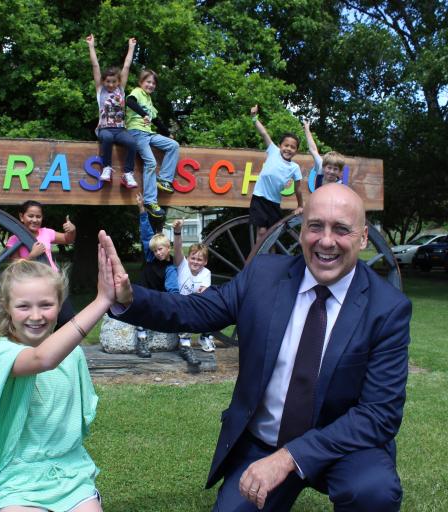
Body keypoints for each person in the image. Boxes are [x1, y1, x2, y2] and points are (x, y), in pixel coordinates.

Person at [102, 183, 411, 511]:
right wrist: (130, 298)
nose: (326, 241)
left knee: (373, 491)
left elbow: (379, 415)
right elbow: (197, 310)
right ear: (302, 229)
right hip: (264, 441)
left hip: (342, 447)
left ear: (363, 238)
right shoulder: (263, 276)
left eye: (342, 229)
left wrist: (290, 458)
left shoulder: (387, 308)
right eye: (315, 226)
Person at [0, 240, 115, 512]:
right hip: (20, 477)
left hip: (70, 471)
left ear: (59, 304)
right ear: (7, 307)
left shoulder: (73, 354)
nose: (36, 316)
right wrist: (102, 301)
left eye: (46, 304)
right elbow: (42, 359)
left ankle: (89, 496)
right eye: (23, 306)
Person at [6, 200, 77, 328]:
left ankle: (61, 346)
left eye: (38, 216)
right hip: (31, 286)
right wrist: (32, 256)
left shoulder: (46, 232)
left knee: (67, 318)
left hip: (53, 282)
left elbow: (68, 239)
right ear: (21, 217)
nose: (35, 220)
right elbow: (14, 267)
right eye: (30, 216)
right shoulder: (14, 239)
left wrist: (71, 230)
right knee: (41, 323)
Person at [86, 34, 139, 189]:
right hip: (104, 129)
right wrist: (91, 46)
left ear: (118, 82)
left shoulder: (121, 90)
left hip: (120, 129)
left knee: (132, 142)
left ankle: (127, 173)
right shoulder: (100, 91)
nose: (110, 84)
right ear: (103, 82)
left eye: (113, 81)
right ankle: (107, 167)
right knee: (107, 138)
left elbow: (127, 66)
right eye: (107, 81)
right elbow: (95, 66)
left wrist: (131, 47)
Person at [125, 68, 179, 218]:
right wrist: (143, 114)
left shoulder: (149, 99)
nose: (150, 85)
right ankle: (149, 201)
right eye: (148, 82)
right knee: (150, 162)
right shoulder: (137, 92)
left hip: (148, 134)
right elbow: (128, 101)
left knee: (173, 145)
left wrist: (168, 134)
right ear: (141, 82)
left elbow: (155, 119)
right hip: (136, 132)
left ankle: (164, 179)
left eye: (153, 83)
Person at [249, 105, 304, 245]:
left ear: (296, 151)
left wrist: (300, 206)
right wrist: (254, 118)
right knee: (261, 232)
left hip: (274, 202)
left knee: (271, 235)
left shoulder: (294, 167)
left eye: (293, 147)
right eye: (286, 145)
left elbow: (298, 189)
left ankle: (269, 260)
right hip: (260, 197)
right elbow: (264, 134)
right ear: (280, 145)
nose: (289, 149)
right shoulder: (273, 151)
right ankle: (258, 259)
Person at [134, 191, 179, 359]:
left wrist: (175, 299)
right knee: (140, 310)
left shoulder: (170, 266)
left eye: (160, 249)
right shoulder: (149, 256)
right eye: (155, 250)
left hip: (158, 296)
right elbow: (145, 231)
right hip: (143, 292)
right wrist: (141, 208)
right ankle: (142, 340)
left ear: (168, 248)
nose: (157, 253)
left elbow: (172, 287)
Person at [172, 218, 215, 353]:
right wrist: (177, 232)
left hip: (195, 305)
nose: (195, 262)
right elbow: (177, 248)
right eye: (193, 258)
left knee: (209, 307)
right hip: (179, 303)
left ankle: (205, 336)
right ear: (188, 257)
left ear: (205, 262)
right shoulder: (182, 265)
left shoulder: (206, 273)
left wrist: (203, 292)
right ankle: (184, 340)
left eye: (199, 259)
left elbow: (204, 291)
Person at [302, 120, 346, 188]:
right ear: (323, 167)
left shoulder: (340, 186)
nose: (331, 171)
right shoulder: (320, 168)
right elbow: (313, 150)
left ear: (340, 171)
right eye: (329, 168)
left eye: (335, 169)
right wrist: (307, 129)